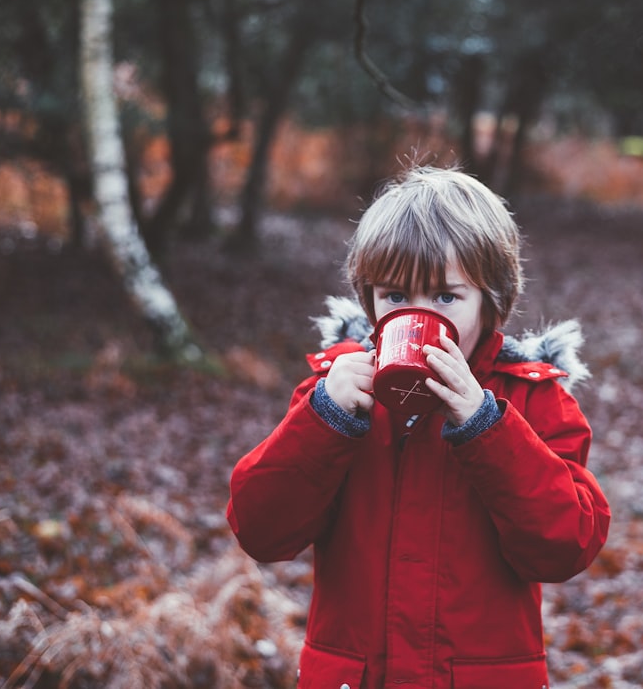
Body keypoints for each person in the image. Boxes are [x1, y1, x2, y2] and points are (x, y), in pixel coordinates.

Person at [227, 164, 611, 688]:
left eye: (446, 297)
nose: (418, 313)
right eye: (395, 296)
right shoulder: (335, 393)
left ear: (491, 300)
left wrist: (485, 426)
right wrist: (326, 419)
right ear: (370, 300)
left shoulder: (529, 399)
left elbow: (565, 545)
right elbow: (260, 530)